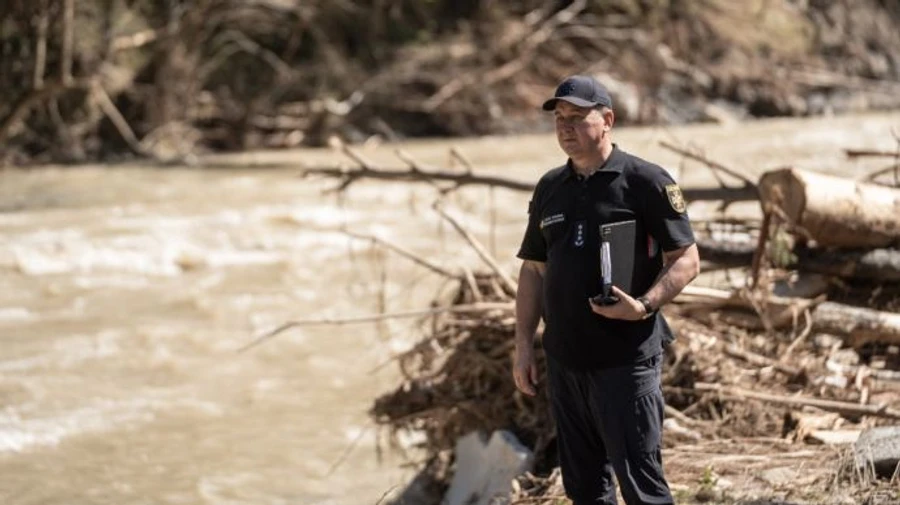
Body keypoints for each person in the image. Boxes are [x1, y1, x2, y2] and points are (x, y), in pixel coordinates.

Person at [513, 75, 700, 505]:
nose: (566, 127)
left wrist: (645, 305)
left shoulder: (645, 181)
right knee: (586, 492)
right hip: (565, 364)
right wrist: (523, 345)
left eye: (578, 117)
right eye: (560, 118)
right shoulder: (550, 188)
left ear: (608, 120)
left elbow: (687, 258)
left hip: (625, 363)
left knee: (643, 491)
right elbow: (534, 270)